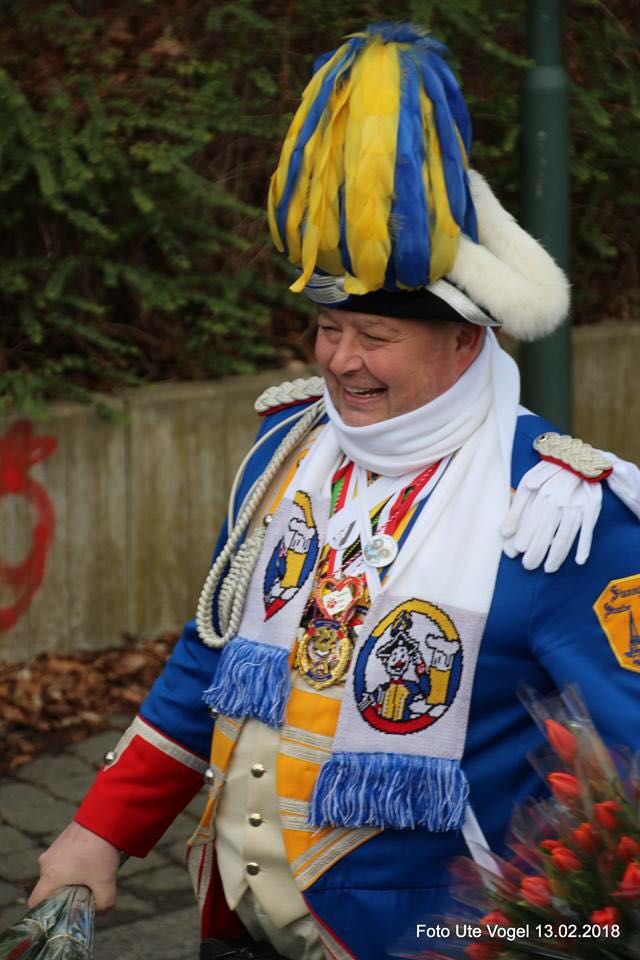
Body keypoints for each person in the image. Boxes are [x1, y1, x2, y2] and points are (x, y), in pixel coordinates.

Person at [29, 22, 640, 960]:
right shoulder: (285, 448)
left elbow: (628, 778)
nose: (340, 362)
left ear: (466, 341)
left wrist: (562, 937)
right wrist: (98, 830)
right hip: (234, 922)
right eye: (328, 330)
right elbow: (212, 656)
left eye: (375, 337)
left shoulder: (561, 514)